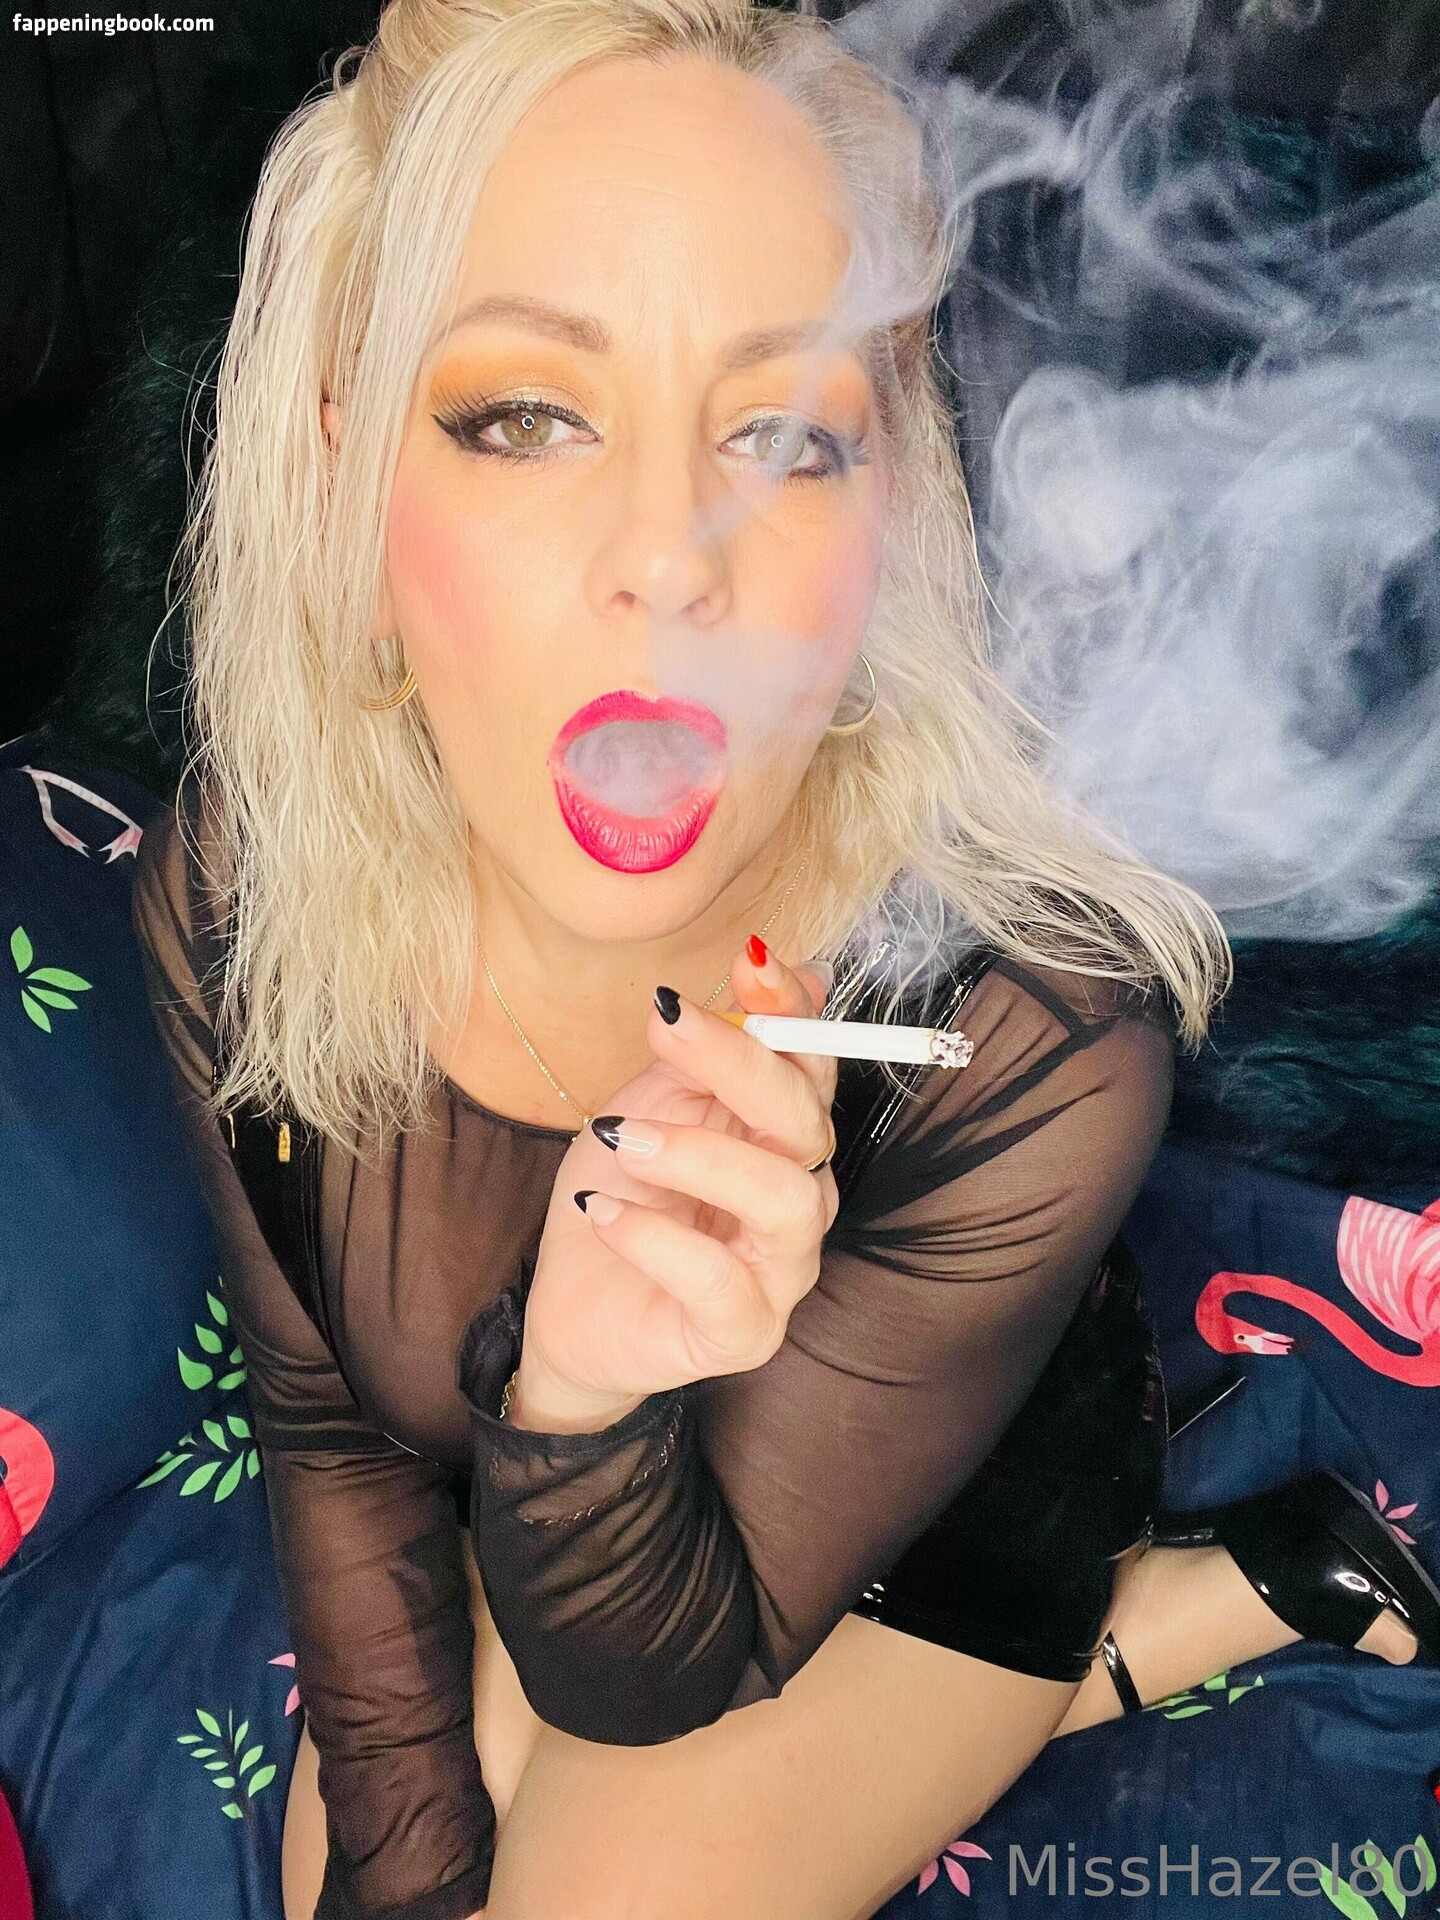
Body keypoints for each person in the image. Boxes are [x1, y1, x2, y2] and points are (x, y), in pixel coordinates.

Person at [130, 3, 1435, 1917]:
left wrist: (580, 1409)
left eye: (784, 434)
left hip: (909, 1544)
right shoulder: (238, 893)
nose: (675, 555)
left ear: (881, 513)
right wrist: (404, 1859)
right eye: (527, 413)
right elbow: (334, 1429)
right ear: (347, 478)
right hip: (537, 1521)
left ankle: (1145, 1622)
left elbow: (656, 1666)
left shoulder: (1027, 1033)